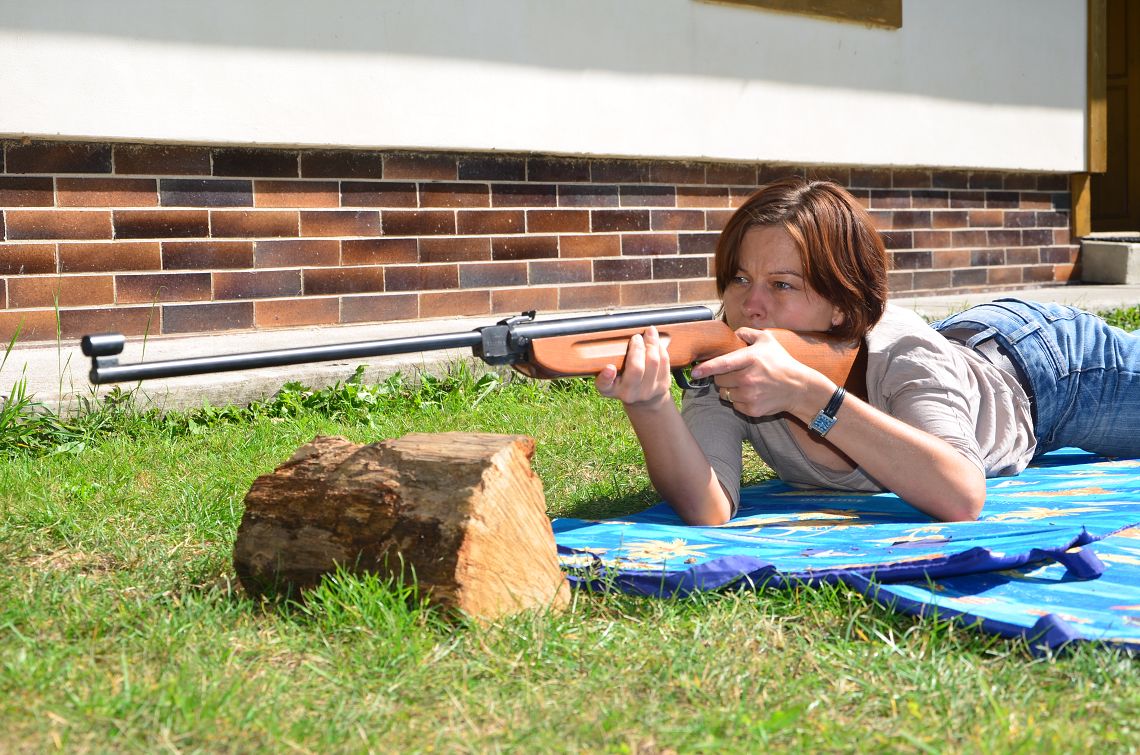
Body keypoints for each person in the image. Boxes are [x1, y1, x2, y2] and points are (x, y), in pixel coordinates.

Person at [594, 177, 1140, 526]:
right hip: (976, 360)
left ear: (841, 304)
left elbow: (960, 497)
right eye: (740, 279)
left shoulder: (902, 349)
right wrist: (651, 406)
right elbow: (709, 510)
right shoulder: (727, 366)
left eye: (782, 285)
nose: (750, 305)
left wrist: (808, 396)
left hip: (1051, 369)